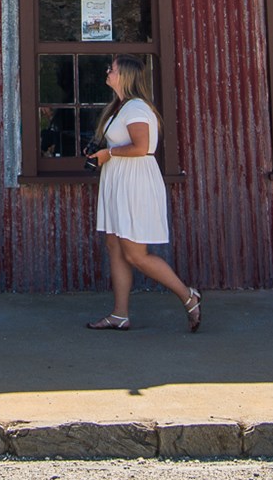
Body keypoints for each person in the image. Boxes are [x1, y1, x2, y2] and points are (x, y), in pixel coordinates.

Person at [86, 54, 201, 332]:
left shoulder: (137, 108)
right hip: (119, 178)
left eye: (111, 69)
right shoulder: (120, 107)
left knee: (135, 253)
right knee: (114, 246)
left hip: (134, 180)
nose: (108, 72)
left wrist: (108, 153)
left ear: (124, 75)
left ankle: (188, 296)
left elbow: (142, 147)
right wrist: (99, 153)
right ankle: (120, 314)